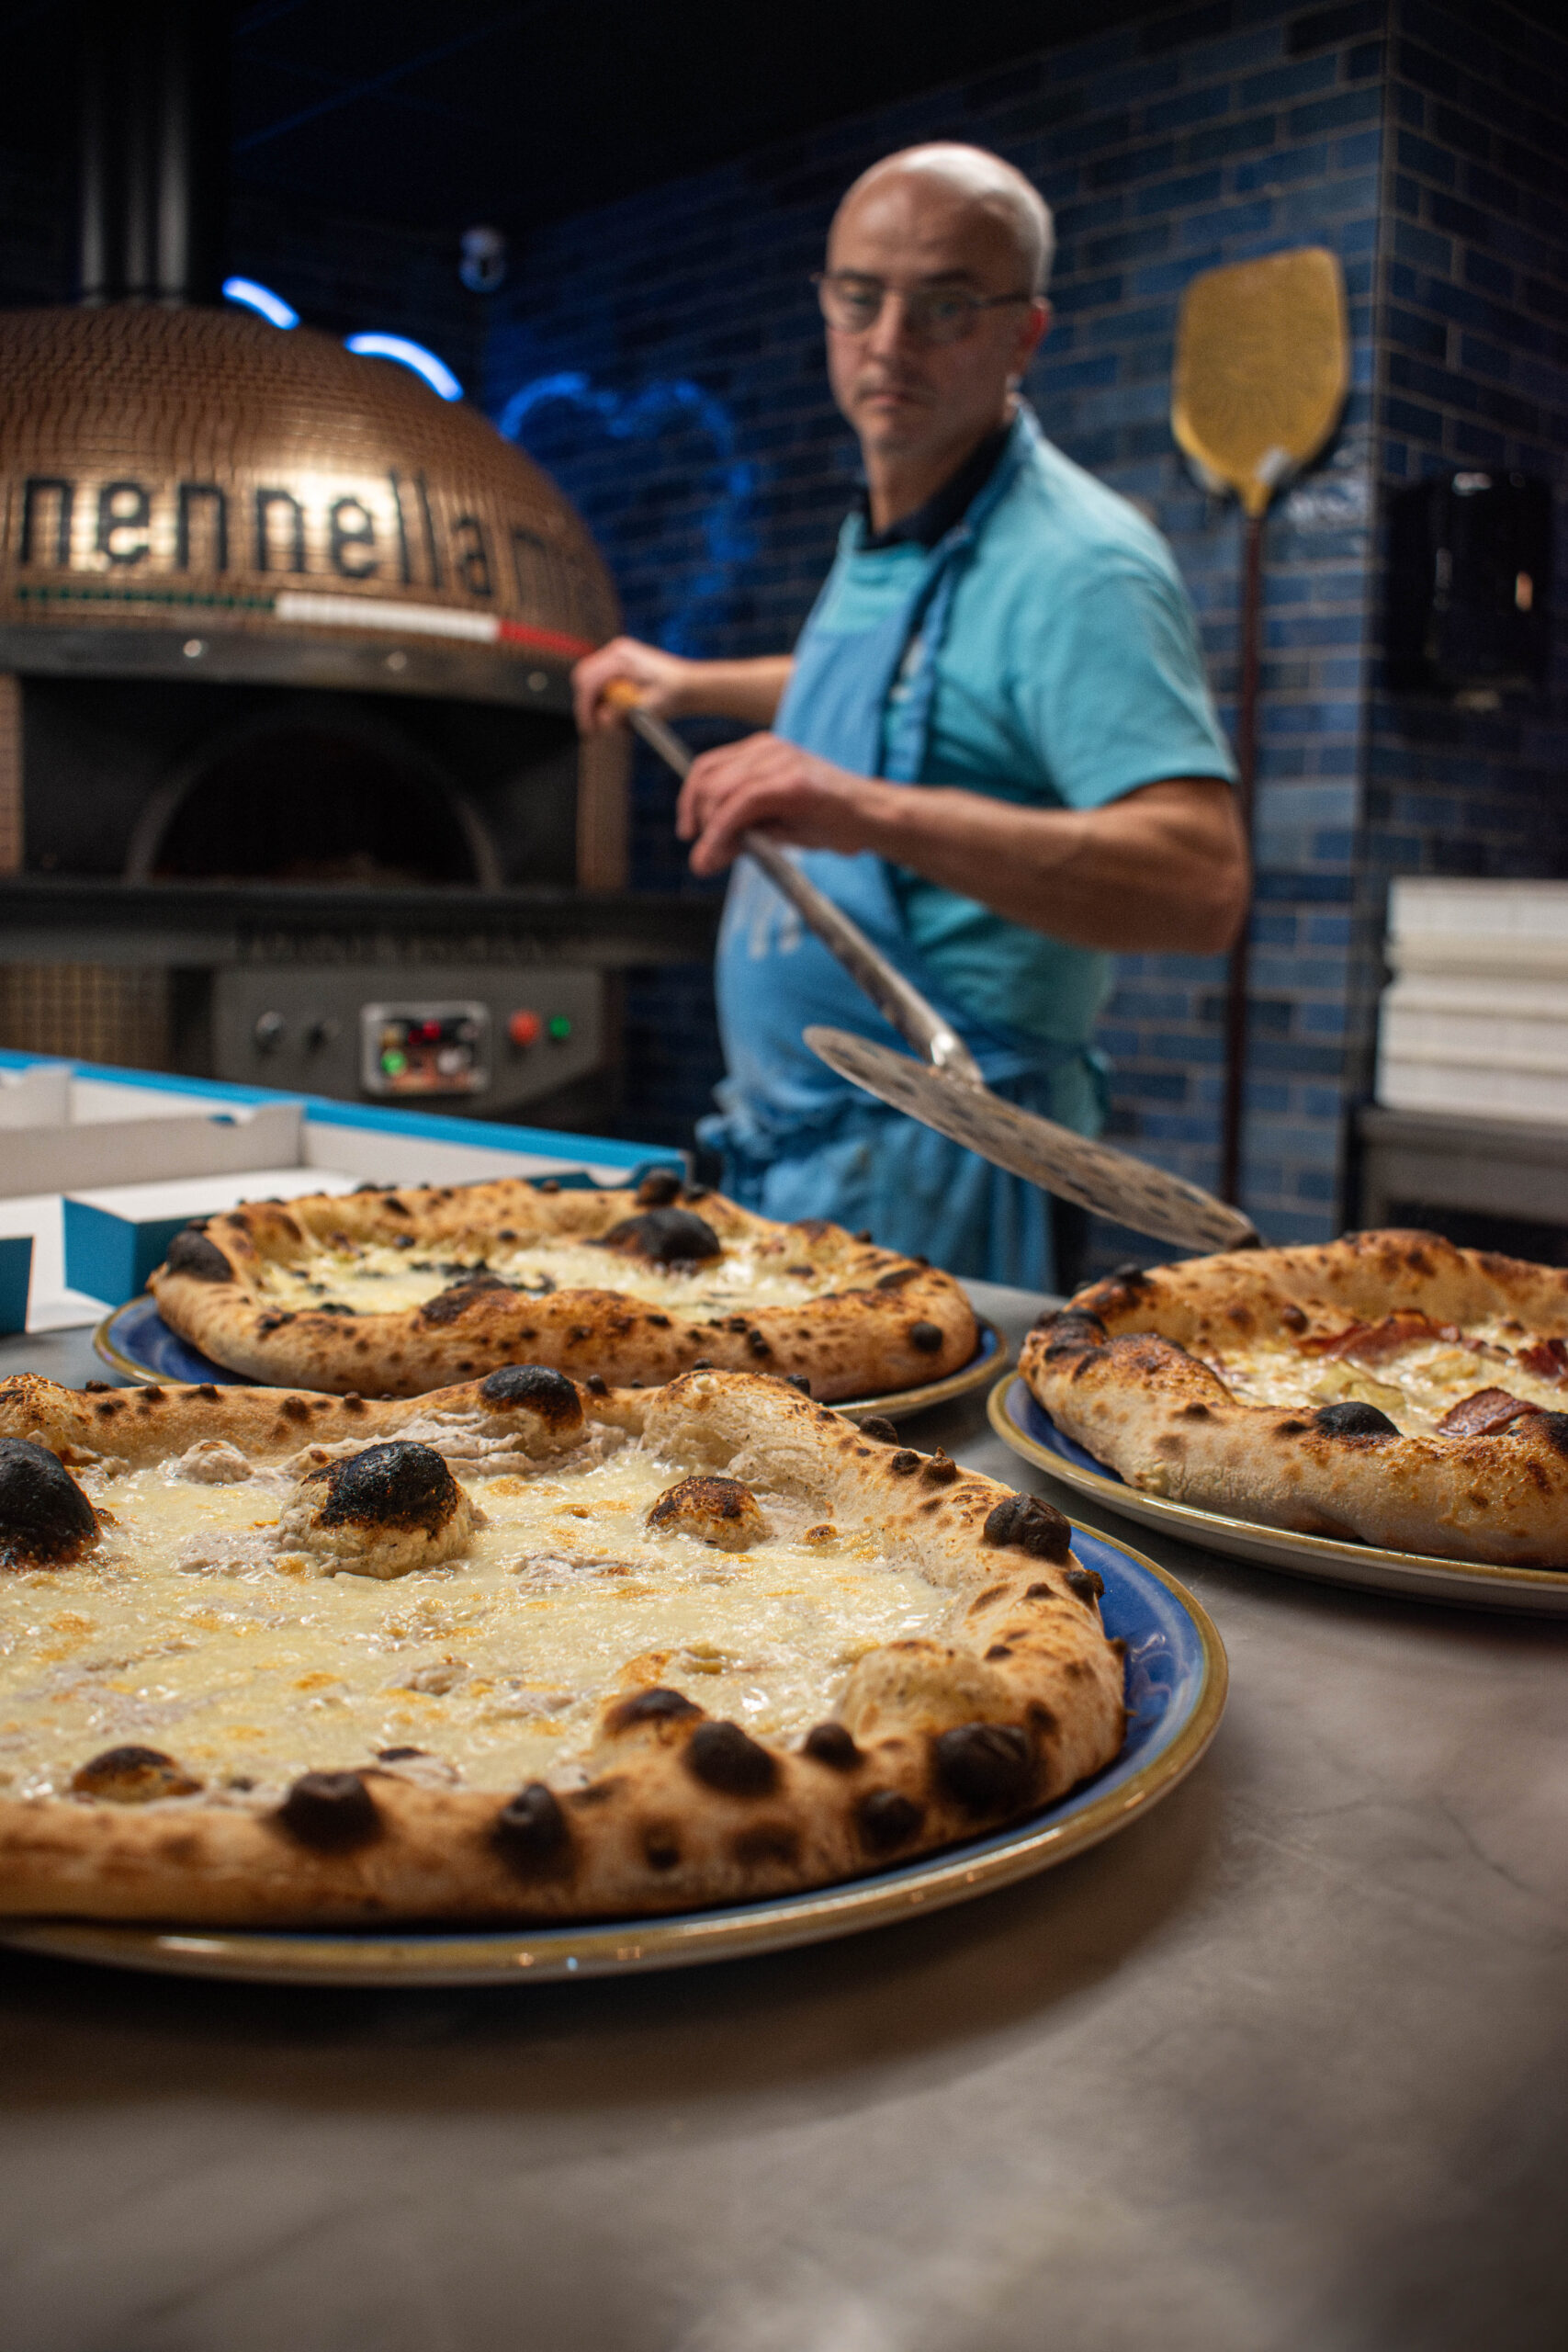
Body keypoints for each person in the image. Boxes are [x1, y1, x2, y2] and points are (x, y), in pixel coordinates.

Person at [572, 142, 1247, 1287]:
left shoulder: (1081, 565)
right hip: (803, 1167)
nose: (890, 342)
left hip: (944, 1172)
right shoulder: (896, 525)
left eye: (946, 306)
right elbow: (915, 687)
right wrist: (691, 682)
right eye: (860, 298)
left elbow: (1199, 882)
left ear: (1025, 333)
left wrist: (862, 809)